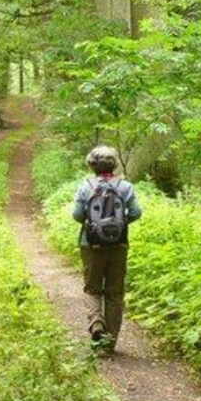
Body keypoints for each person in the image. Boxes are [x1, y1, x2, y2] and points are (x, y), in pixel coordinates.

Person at [72, 145, 142, 354]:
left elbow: (77, 215)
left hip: (91, 245)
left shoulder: (86, 186)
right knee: (114, 293)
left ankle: (96, 324)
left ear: (92, 165)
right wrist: (119, 225)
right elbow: (137, 212)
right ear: (114, 164)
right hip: (118, 245)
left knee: (92, 288)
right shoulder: (125, 186)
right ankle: (109, 343)